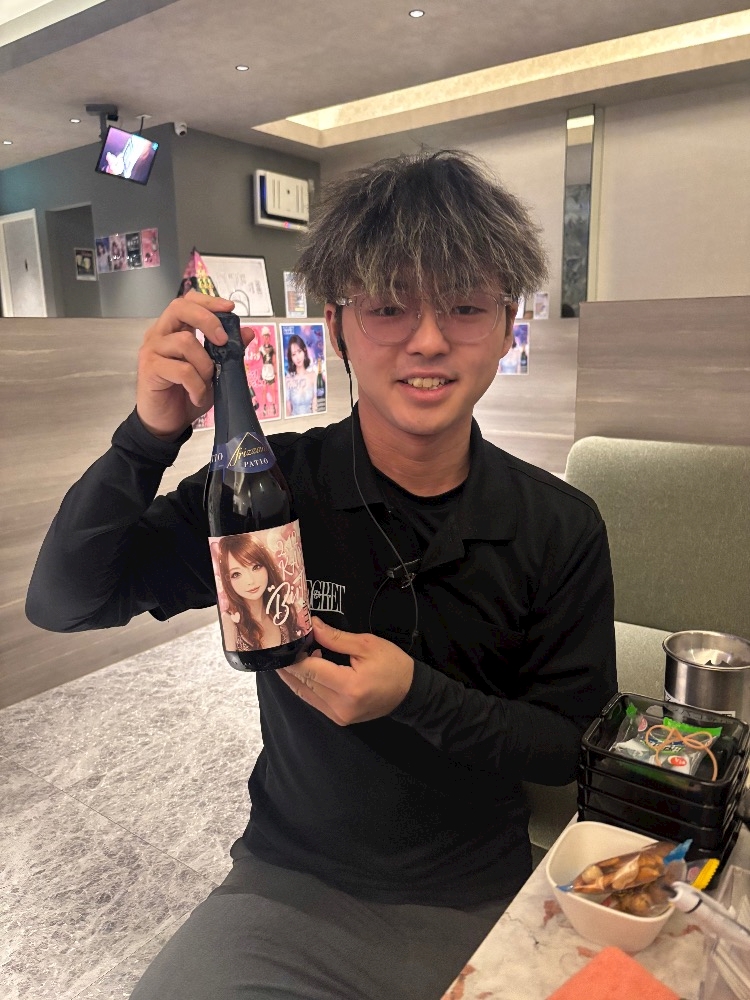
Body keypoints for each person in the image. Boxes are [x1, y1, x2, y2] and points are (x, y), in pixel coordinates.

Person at [26, 149, 617, 1000]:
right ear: (336, 325)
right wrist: (146, 438)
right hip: (288, 884)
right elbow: (66, 601)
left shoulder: (559, 525)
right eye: (388, 306)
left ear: (507, 323)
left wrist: (416, 695)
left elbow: (568, 746)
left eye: (464, 305)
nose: (427, 340)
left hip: (473, 895)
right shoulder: (269, 491)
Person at [214, 533, 301, 651]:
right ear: (227, 580)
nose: (250, 581)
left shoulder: (281, 611)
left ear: (267, 566)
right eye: (236, 574)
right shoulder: (230, 620)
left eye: (256, 567)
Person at [284, 332, 316, 415]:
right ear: (291, 358)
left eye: (299, 351)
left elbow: (315, 406)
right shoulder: (288, 379)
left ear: (304, 351)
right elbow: (288, 409)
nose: (297, 357)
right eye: (294, 354)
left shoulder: (313, 375)